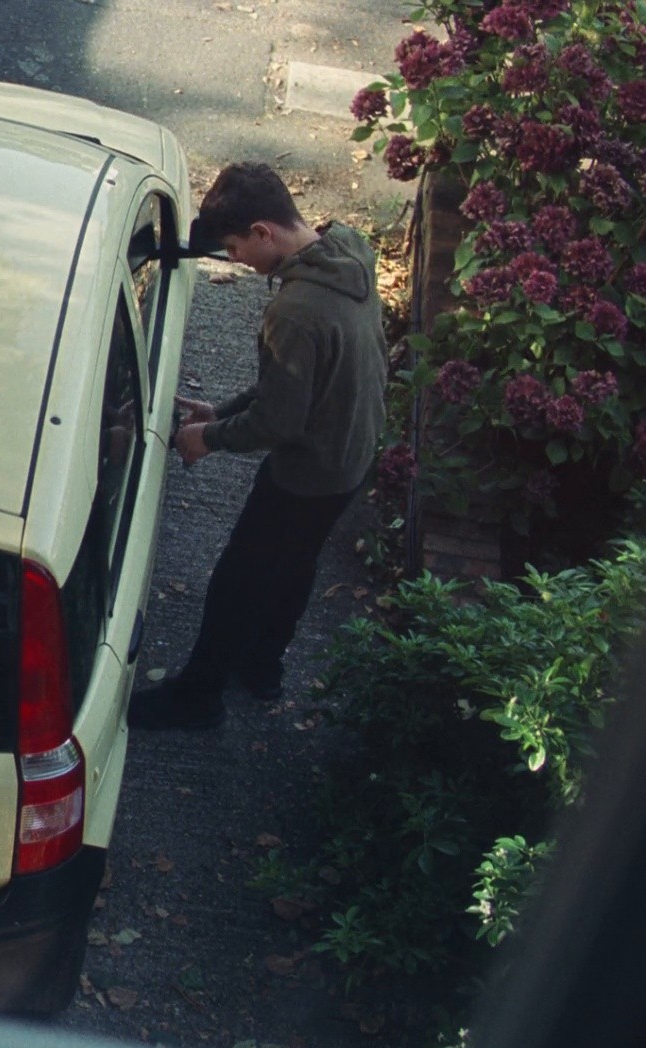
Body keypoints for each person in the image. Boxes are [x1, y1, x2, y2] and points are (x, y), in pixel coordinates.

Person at [129, 162, 387, 730]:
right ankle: (263, 667)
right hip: (351, 454)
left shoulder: (294, 309)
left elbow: (280, 420)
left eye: (236, 246)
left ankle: (198, 697)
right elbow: (298, 380)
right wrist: (222, 410)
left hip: (308, 473)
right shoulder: (347, 250)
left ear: (264, 232)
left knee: (237, 581)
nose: (236, 260)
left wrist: (208, 438)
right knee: (294, 566)